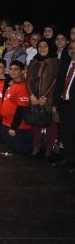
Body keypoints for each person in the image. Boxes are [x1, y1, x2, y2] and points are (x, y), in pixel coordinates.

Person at [25, 40, 59, 159]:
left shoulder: (55, 62)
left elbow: (56, 81)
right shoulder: (34, 61)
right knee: (35, 122)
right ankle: (36, 147)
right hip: (34, 98)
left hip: (49, 99)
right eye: (40, 46)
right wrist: (31, 95)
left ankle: (49, 149)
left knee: (51, 123)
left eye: (45, 46)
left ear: (50, 47)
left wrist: (45, 96)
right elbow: (28, 79)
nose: (42, 48)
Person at [0, 61, 32, 155]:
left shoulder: (23, 87)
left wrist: (13, 127)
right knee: (10, 150)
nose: (13, 71)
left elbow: (21, 109)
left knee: (19, 152)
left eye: (16, 69)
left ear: (22, 71)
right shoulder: (12, 84)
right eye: (11, 69)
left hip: (18, 128)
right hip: (6, 124)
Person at [53, 41, 75, 169]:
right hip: (64, 105)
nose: (73, 50)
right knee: (66, 133)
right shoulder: (65, 64)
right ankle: (68, 159)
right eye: (71, 48)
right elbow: (58, 86)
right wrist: (55, 104)